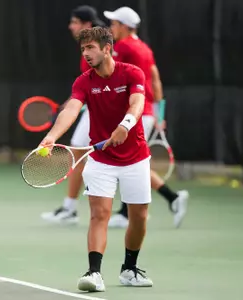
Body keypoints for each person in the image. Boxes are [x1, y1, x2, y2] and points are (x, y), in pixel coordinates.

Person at [39, 27, 153, 292]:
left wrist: (125, 125)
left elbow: (136, 104)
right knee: (99, 214)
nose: (86, 54)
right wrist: (52, 136)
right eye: (83, 49)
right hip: (101, 160)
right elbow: (71, 110)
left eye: (90, 48)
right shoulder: (84, 82)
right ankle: (94, 273)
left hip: (136, 158)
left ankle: (129, 269)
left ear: (107, 48)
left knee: (139, 217)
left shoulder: (132, 73)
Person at [103, 7, 189, 228]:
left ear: (123, 26)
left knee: (127, 162)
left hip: (134, 112)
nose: (111, 28)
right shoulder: (145, 48)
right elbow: (156, 80)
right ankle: (166, 200)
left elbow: (114, 80)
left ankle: (132, 211)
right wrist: (159, 114)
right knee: (130, 161)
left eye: (114, 24)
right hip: (147, 112)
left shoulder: (122, 48)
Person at [40, 5, 105, 225]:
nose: (70, 26)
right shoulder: (91, 45)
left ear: (86, 24)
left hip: (107, 110)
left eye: (74, 21)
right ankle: (71, 208)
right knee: (83, 151)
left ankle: (70, 209)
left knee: (81, 150)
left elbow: (106, 80)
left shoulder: (98, 47)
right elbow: (90, 83)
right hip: (99, 107)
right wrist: (73, 102)